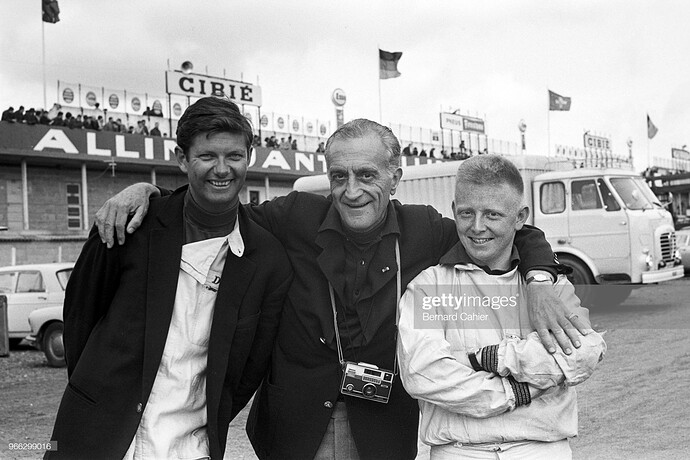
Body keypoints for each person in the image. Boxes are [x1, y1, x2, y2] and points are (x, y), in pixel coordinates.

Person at [95, 119, 588, 460]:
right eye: (339, 176)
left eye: (367, 175)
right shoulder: (294, 216)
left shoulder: (426, 230)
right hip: (295, 430)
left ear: (395, 176)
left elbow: (509, 229)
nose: (352, 190)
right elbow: (215, 211)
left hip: (382, 427)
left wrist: (541, 278)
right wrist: (152, 195)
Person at [46, 96, 293, 460]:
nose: (222, 169)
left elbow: (244, 375)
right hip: (99, 437)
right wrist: (97, 395)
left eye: (234, 156)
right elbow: (80, 318)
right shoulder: (129, 225)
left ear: (249, 156)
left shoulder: (268, 260)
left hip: (190, 447)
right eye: (207, 156)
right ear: (182, 158)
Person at [397, 155, 606, 459]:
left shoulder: (548, 287)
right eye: (467, 213)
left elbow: (584, 352)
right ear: (454, 211)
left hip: (541, 449)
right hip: (459, 451)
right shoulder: (429, 286)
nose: (477, 227)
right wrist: (516, 391)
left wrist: (489, 358)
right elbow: (423, 374)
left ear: (520, 217)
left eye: (492, 215)